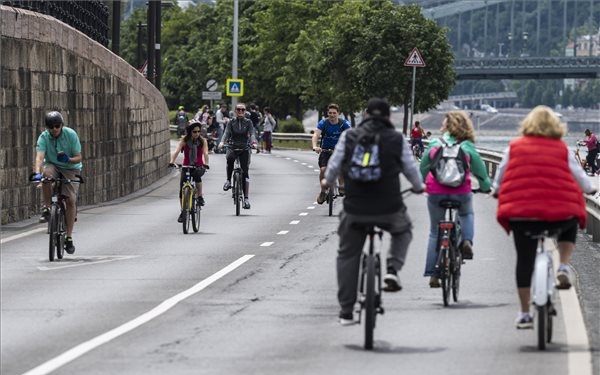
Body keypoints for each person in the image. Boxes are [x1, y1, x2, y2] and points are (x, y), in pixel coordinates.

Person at [321, 98, 424, 325]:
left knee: (347, 254)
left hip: (355, 208)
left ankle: (346, 311)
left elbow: (331, 172)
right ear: (388, 117)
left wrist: (327, 183)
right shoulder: (397, 139)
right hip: (390, 207)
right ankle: (392, 269)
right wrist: (418, 188)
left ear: (365, 115)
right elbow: (412, 171)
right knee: (404, 230)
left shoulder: (349, 137)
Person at [492, 105, 595, 329]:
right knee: (571, 221)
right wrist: (590, 189)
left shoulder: (514, 147)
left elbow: (501, 176)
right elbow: (581, 179)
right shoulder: (561, 149)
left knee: (524, 260)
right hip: (558, 214)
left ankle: (524, 313)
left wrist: (496, 190)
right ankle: (564, 266)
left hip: (522, 215)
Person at [419, 110, 491, 288]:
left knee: (435, 231)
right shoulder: (466, 146)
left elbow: (423, 167)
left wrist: (421, 184)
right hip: (461, 191)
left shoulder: (435, 143)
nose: (441, 126)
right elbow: (481, 173)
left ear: (448, 127)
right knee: (466, 214)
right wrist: (485, 188)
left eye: (443, 124)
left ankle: (433, 274)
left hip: (436, 192)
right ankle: (466, 240)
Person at [32, 111, 83, 254]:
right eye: (51, 126)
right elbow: (40, 157)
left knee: (71, 200)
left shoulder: (71, 135)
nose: (54, 129)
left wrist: (68, 159)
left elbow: (79, 157)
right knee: (46, 175)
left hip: (71, 168)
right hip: (53, 165)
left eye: (57, 126)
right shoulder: (44, 137)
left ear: (61, 125)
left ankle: (68, 237)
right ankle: (47, 208)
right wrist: (37, 172)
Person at [218, 103, 257, 209]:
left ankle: (246, 199)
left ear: (245, 111)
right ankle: (228, 180)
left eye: (243, 110)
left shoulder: (248, 122)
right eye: (238, 110)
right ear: (235, 111)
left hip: (244, 147)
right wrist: (222, 142)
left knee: (245, 171)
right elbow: (226, 133)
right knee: (230, 159)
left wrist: (253, 143)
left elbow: (252, 133)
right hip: (232, 146)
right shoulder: (231, 122)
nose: (240, 112)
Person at [169, 121, 209, 223]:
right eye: (194, 132)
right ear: (190, 132)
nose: (197, 133)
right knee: (182, 190)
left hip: (199, 166)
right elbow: (177, 151)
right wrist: (172, 161)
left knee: (197, 176)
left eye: (199, 131)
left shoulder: (203, 141)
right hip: (186, 166)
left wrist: (206, 163)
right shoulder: (184, 140)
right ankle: (183, 211)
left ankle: (199, 197)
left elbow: (205, 153)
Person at [312, 103, 351, 204]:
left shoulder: (343, 124)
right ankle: (323, 191)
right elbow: (316, 135)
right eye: (330, 113)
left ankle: (342, 185)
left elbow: (351, 136)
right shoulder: (323, 123)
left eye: (334, 113)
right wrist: (315, 146)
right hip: (325, 150)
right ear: (327, 113)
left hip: (339, 150)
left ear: (338, 113)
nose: (332, 115)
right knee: (323, 170)